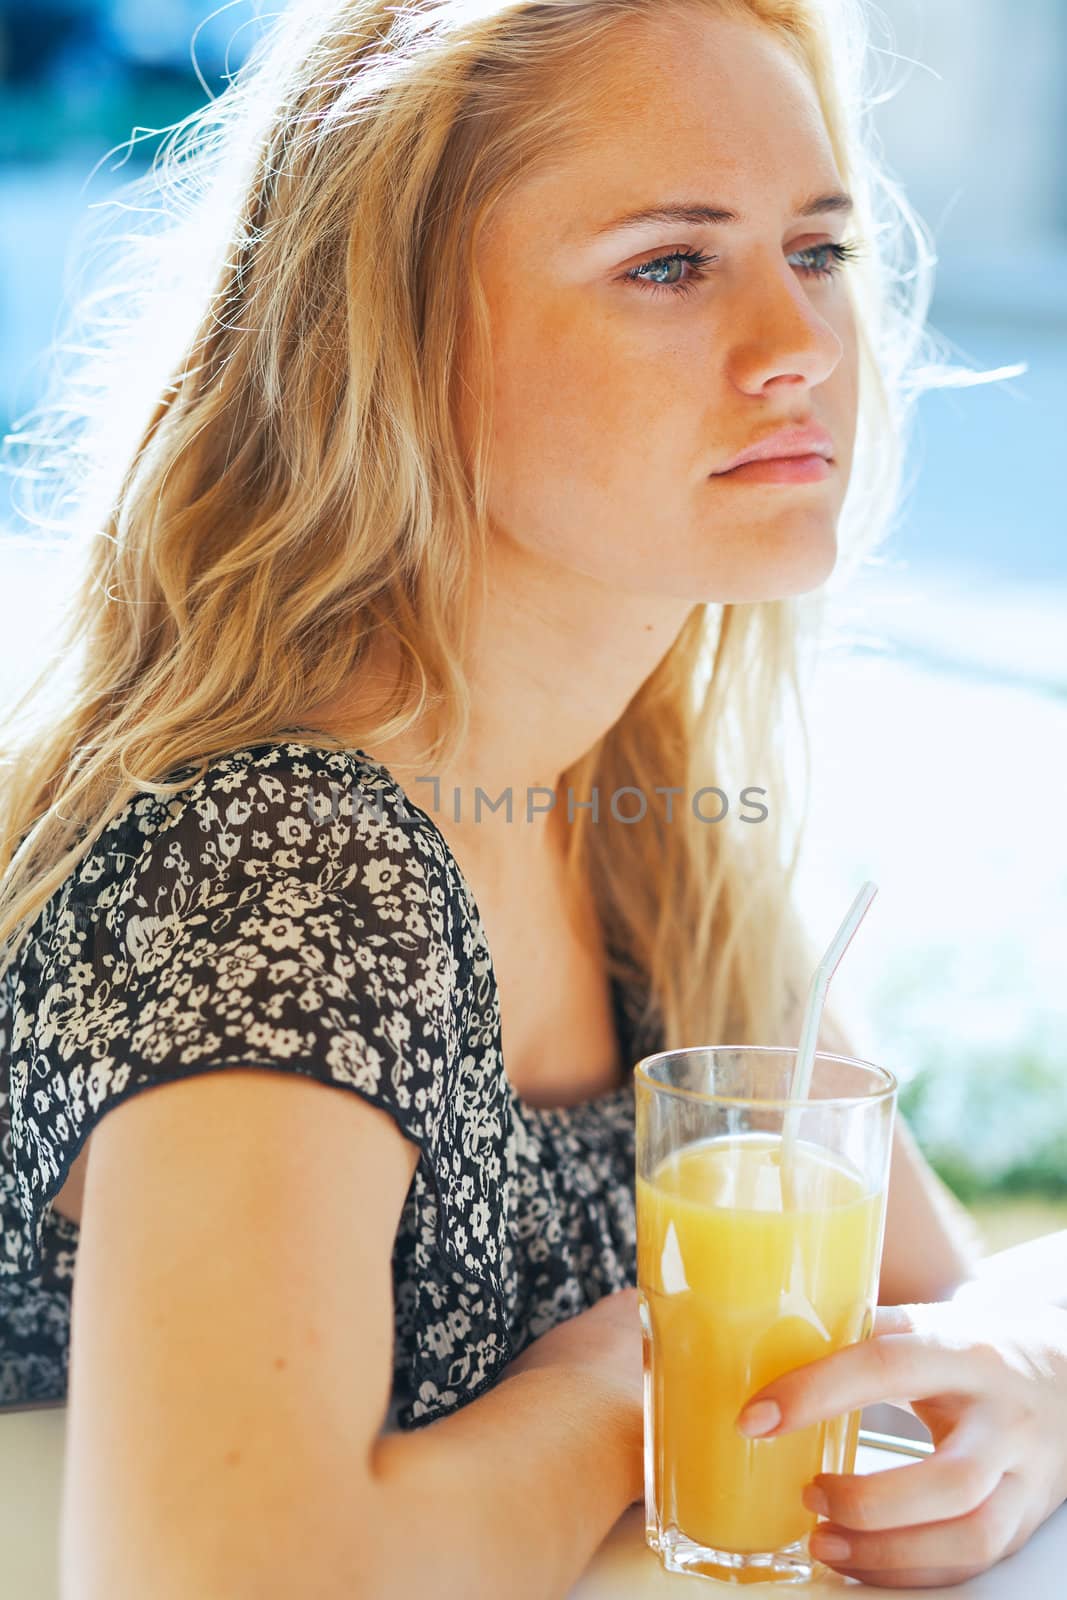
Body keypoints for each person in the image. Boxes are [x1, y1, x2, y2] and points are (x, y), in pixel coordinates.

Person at [0, 1, 1064, 1595]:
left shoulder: (642, 818)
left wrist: (1029, 1370)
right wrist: (629, 1389)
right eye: (669, 263)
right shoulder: (280, 865)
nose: (803, 347)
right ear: (395, 338)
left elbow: (928, 1299)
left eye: (820, 250)